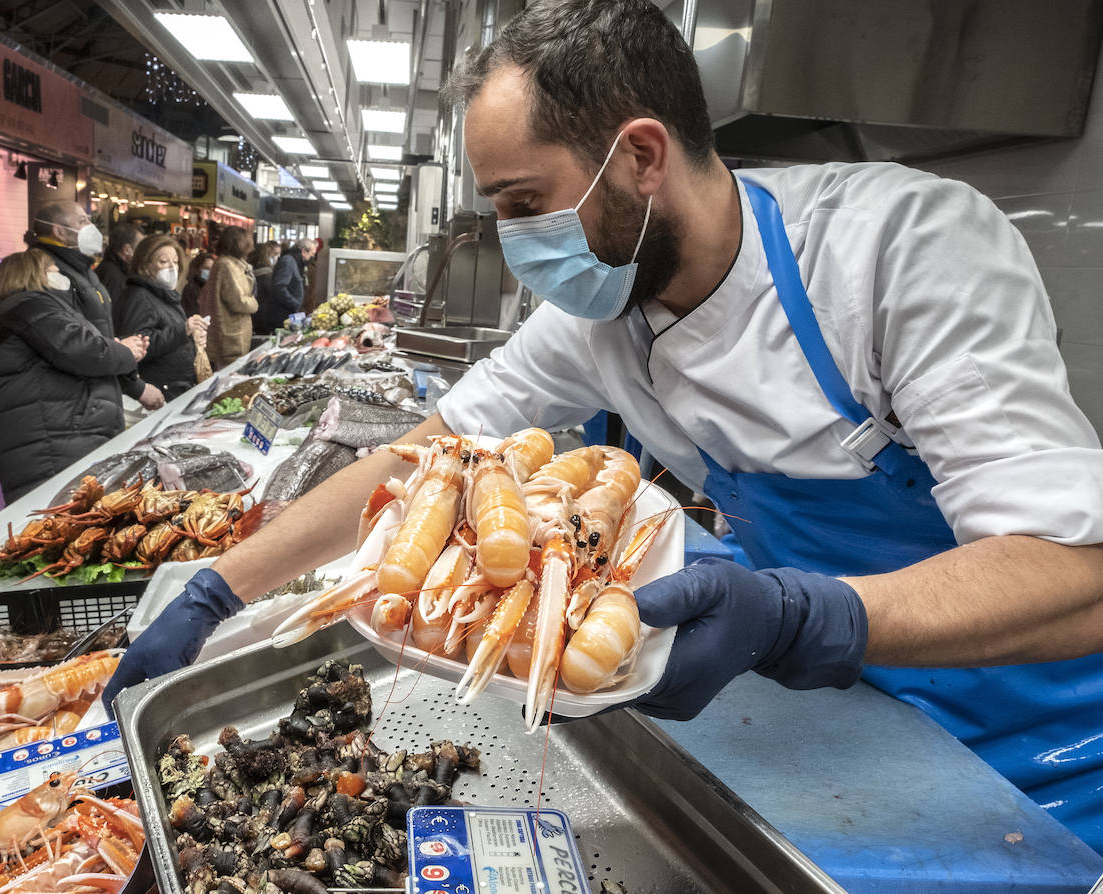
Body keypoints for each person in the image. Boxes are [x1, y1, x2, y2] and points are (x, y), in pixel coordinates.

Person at [106, 0, 1103, 850]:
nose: (513, 241)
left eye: (525, 203)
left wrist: (810, 615)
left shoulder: (901, 247)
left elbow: (1075, 573)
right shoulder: (604, 315)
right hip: (846, 718)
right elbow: (425, 455)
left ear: (638, 157)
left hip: (1035, 749)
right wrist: (216, 591)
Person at [0, 249, 147, 504]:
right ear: (33, 273)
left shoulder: (31, 308)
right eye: (52, 268)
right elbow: (83, 349)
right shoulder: (32, 306)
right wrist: (124, 352)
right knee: (60, 516)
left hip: (55, 434)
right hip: (51, 441)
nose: (59, 273)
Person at [31, 201, 163, 413]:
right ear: (59, 231)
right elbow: (75, 345)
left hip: (94, 397)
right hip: (70, 404)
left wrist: (124, 360)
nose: (91, 227)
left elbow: (97, 335)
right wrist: (127, 362)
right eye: (82, 221)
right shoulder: (49, 274)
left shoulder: (83, 269)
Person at [114, 234, 210, 399]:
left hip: (177, 386)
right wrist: (183, 330)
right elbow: (140, 343)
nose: (172, 268)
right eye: (163, 262)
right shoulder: (139, 297)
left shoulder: (167, 295)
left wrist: (193, 337)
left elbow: (171, 335)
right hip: (159, 390)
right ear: (146, 265)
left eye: (175, 262)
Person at [202, 226, 256, 369]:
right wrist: (254, 303)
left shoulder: (232, 264)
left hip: (234, 334)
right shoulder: (226, 265)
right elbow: (237, 301)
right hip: (230, 337)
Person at [95, 220, 143, 303]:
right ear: (127, 250)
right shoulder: (113, 277)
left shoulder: (116, 268)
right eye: (141, 246)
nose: (145, 251)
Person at [271, 237, 314, 324]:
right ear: (303, 251)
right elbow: (279, 287)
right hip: (281, 314)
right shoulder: (288, 261)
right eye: (312, 253)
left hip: (288, 313)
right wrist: (294, 303)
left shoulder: (297, 263)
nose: (312, 257)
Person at [248, 244, 279, 335]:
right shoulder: (268, 276)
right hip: (265, 319)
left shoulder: (249, 273)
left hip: (252, 317)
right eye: (274, 256)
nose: (276, 258)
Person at [182, 251, 213, 317]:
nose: (210, 272)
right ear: (197, 269)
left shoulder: (212, 288)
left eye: (212, 269)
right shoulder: (190, 289)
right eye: (206, 268)